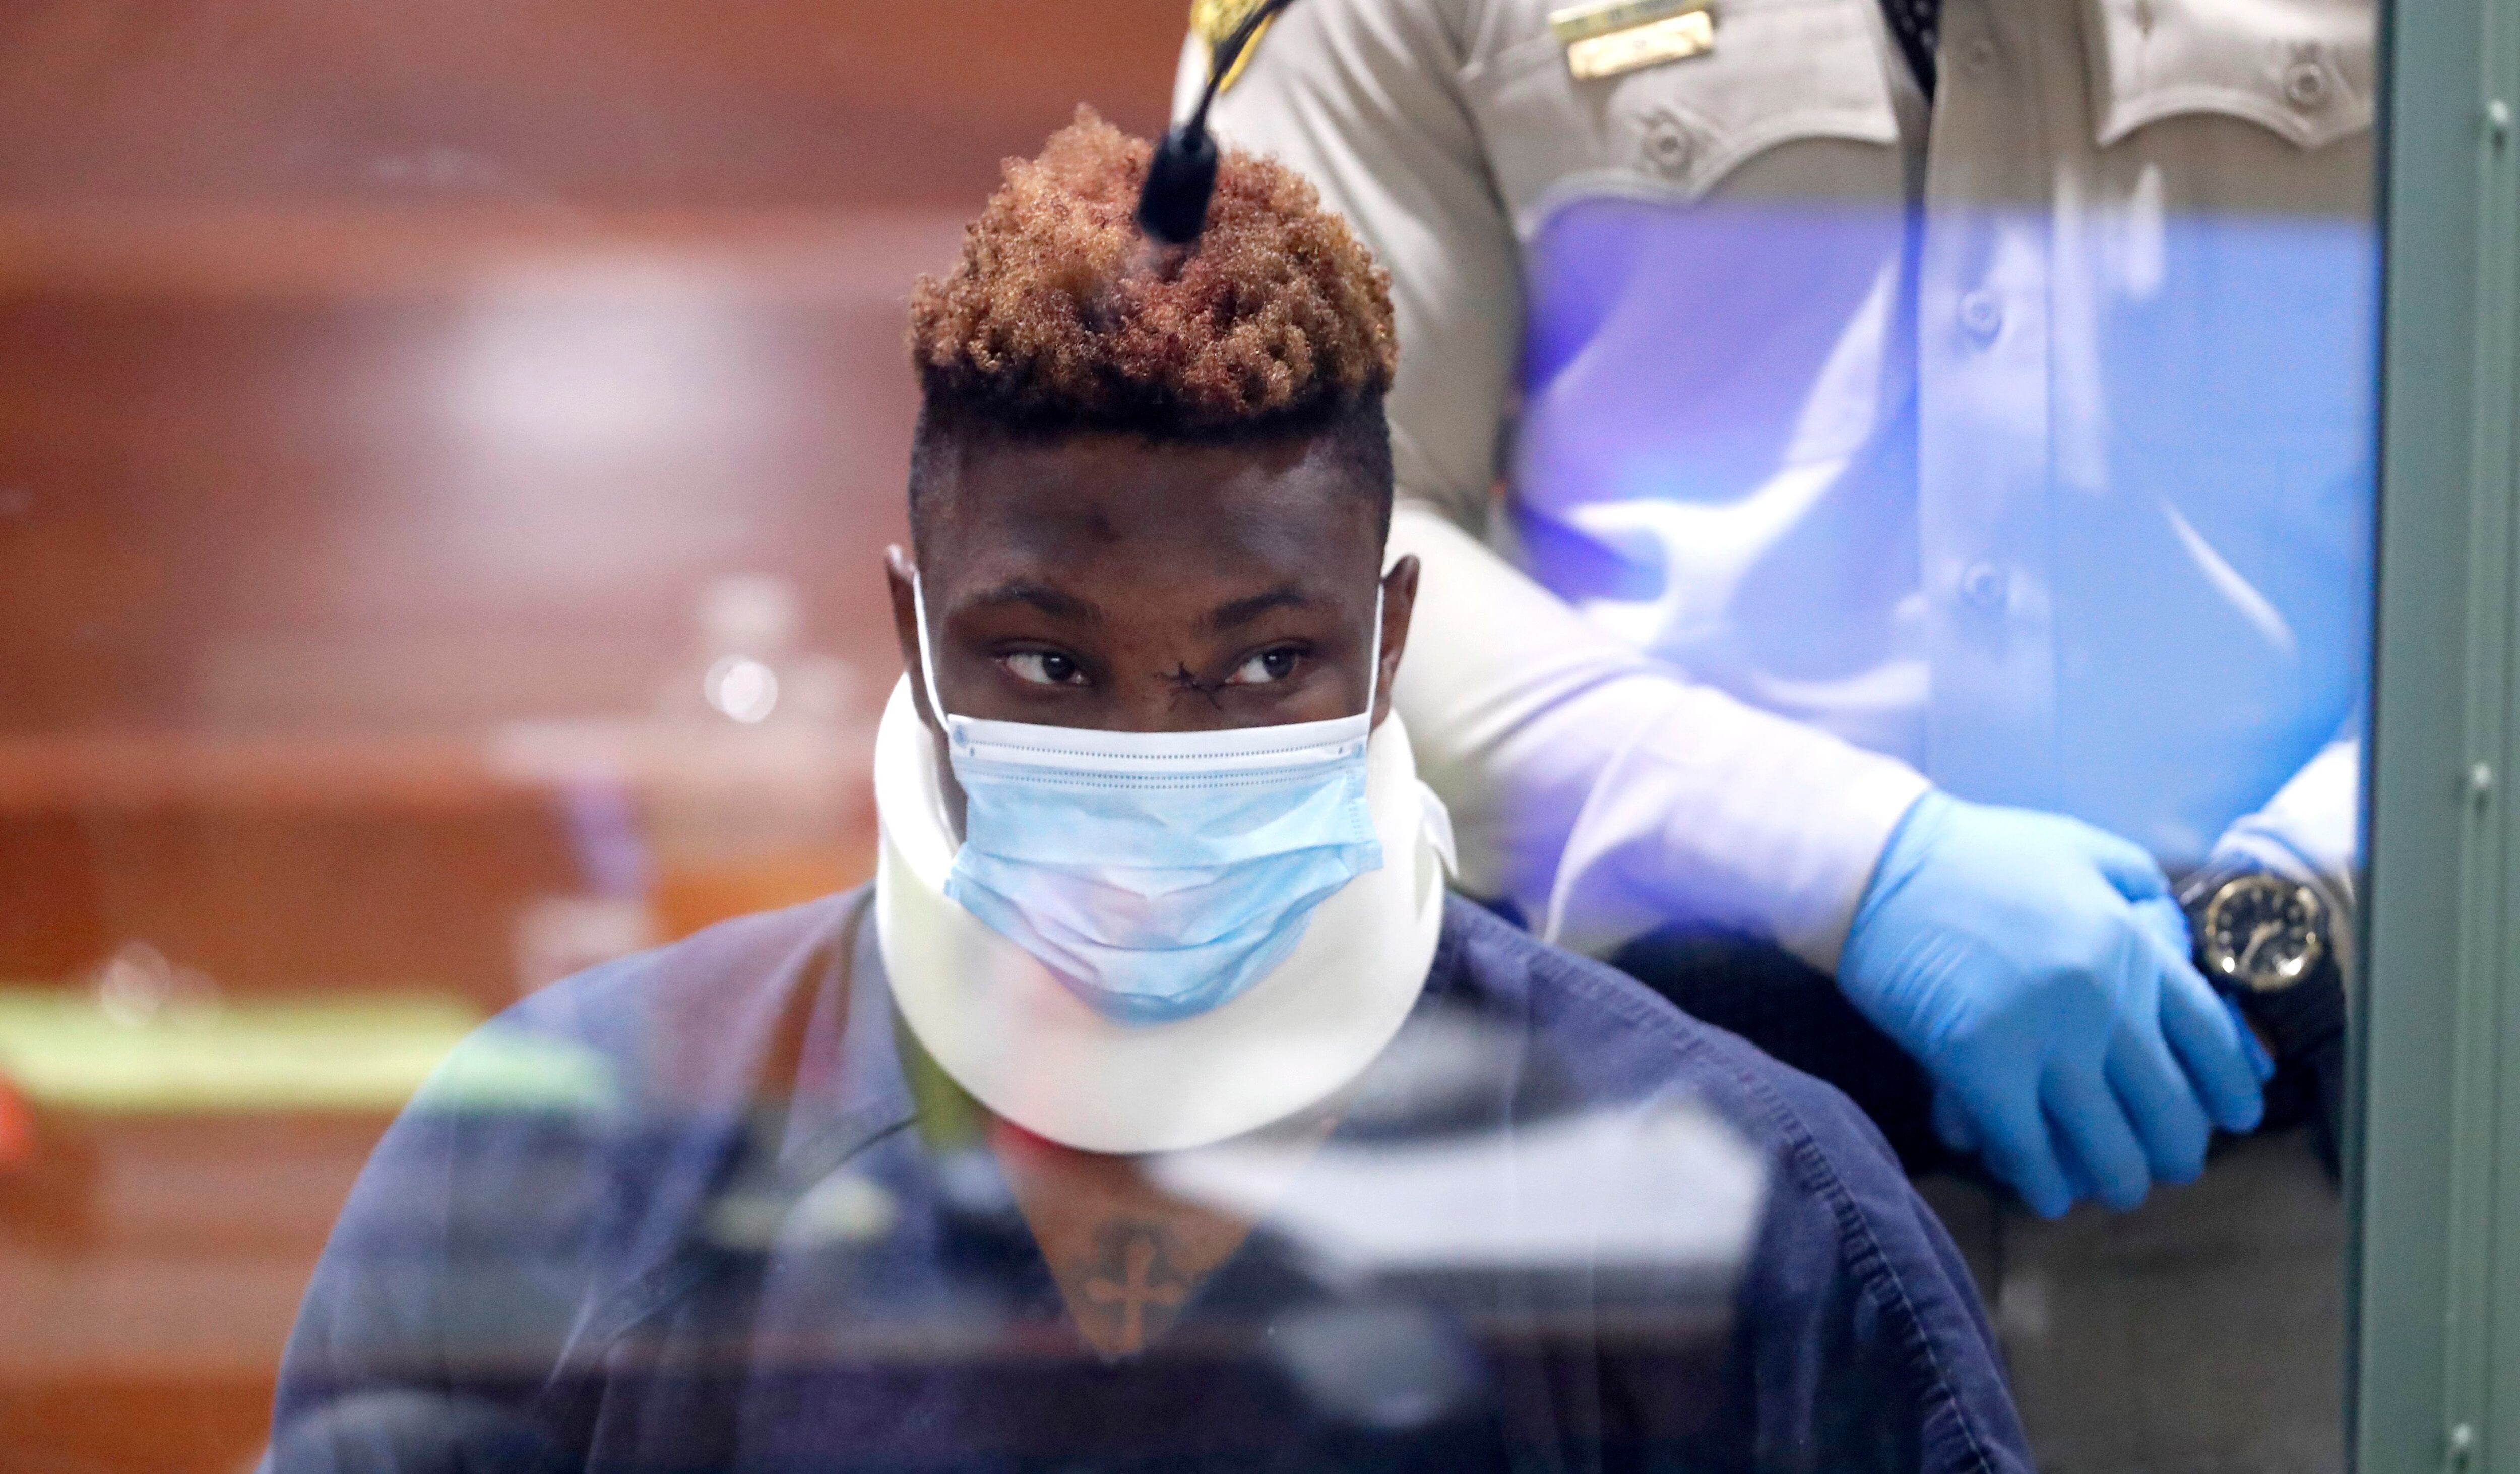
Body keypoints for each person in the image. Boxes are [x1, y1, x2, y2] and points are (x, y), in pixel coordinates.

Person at [265, 113, 2030, 1474]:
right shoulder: (550, 1174)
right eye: (1047, 661)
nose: (1153, 758)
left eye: (1265, 663)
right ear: (915, 633)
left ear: (1388, 639)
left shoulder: (1750, 1223)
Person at [1180, 0, 2368, 1465]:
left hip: (2322, 1211)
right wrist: (1853, 867)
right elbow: (1269, 527)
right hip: (1683, 1230)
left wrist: (2324, 898)